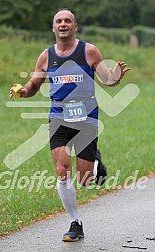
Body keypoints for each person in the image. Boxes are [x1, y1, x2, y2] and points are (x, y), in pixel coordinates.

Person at [10, 9, 130, 242]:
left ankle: (95, 160)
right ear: (53, 28)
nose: (63, 24)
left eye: (68, 21)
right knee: (61, 169)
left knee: (85, 179)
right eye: (58, 21)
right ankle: (75, 222)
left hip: (86, 117)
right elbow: (34, 85)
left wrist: (115, 76)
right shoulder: (46, 56)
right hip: (58, 117)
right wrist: (23, 91)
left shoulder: (89, 51)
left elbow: (107, 79)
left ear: (75, 27)